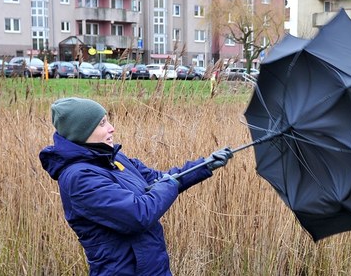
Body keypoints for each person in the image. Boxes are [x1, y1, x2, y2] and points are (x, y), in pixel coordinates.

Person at [39, 97, 233, 275]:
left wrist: (204, 166)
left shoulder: (114, 159)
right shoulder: (79, 178)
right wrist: (169, 184)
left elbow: (158, 179)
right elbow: (138, 214)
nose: (112, 128)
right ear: (81, 131)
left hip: (154, 269)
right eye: (102, 123)